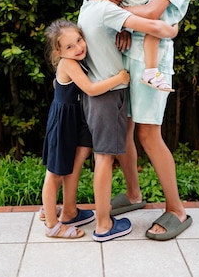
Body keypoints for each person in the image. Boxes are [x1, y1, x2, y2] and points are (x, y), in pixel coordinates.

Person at [113, 0, 199, 241]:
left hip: (150, 60)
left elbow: (152, 12)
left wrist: (115, 13)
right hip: (127, 52)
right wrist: (121, 23)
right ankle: (134, 195)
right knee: (123, 127)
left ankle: (177, 209)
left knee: (149, 134)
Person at [77, 0, 179, 242]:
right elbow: (152, 25)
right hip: (108, 97)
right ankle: (103, 225)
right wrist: (172, 26)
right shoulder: (107, 10)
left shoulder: (87, 9)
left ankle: (110, 210)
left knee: (106, 155)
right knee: (105, 159)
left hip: (100, 96)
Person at [41, 19, 130, 239]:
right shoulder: (68, 63)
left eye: (80, 40)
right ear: (58, 51)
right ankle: (52, 224)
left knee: (71, 165)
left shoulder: (76, 60)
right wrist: (119, 78)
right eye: (70, 46)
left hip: (75, 119)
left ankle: (68, 211)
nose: (79, 48)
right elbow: (90, 88)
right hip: (63, 122)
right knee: (55, 173)